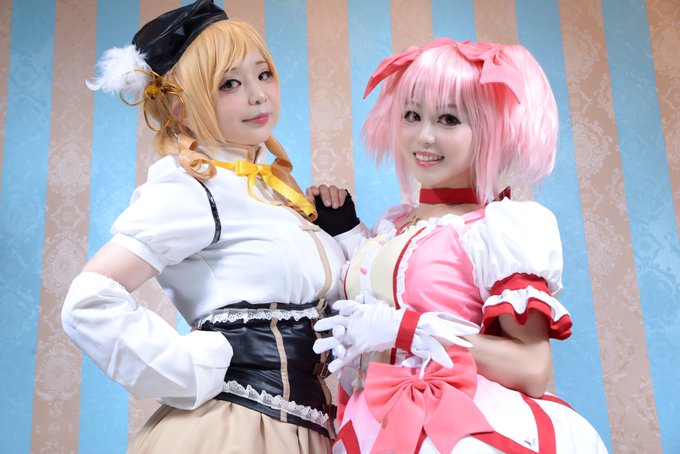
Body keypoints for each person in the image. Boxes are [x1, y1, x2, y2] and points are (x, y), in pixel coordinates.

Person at [61, 1, 344, 452]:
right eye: (229, 83)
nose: (258, 95)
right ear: (180, 109)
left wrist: (344, 232)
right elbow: (89, 300)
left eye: (263, 74)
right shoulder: (191, 187)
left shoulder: (274, 192)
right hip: (230, 432)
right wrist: (188, 369)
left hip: (306, 432)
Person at [311, 38, 608, 453]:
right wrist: (345, 231)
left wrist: (408, 330)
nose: (424, 136)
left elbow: (532, 368)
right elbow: (390, 293)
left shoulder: (498, 229)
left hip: (454, 432)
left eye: (449, 119)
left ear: (489, 129)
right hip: (369, 424)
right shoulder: (395, 225)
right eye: (412, 115)